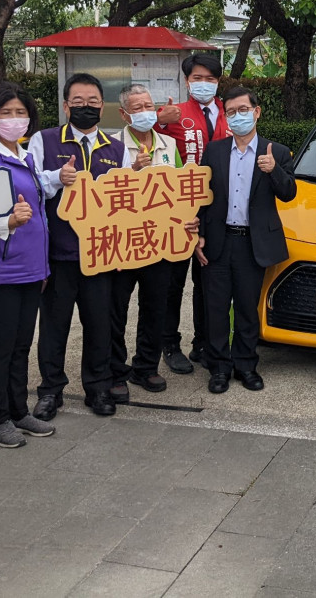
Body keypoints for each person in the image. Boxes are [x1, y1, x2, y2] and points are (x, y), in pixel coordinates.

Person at [29, 73, 128, 419]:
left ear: (103, 106)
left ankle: (98, 388)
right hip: (58, 253)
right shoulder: (44, 141)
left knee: (100, 324)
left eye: (93, 102)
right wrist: (56, 178)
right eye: (79, 102)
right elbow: (28, 188)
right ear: (66, 105)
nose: (86, 107)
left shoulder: (116, 148)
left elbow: (129, 205)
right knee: (54, 326)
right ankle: (50, 390)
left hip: (101, 255)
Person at [193, 87, 296, 393]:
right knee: (216, 308)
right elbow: (201, 196)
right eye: (231, 112)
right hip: (218, 240)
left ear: (257, 111)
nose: (237, 116)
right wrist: (197, 235)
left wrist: (274, 170)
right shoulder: (214, 151)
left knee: (248, 308)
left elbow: (289, 193)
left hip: (253, 243)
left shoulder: (275, 152)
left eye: (243, 109)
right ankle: (219, 367)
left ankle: (246, 365)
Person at [0, 82, 56, 448]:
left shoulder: (26, 157)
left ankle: (19, 410)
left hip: (32, 267)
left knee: (22, 343)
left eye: (20, 113)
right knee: (1, 345)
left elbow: (39, 213)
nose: (14, 119)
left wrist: (44, 267)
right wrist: (6, 223)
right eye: (6, 113)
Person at [156, 52, 230, 372]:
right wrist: (161, 120)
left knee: (208, 280)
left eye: (210, 78)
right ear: (186, 81)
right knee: (173, 281)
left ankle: (203, 342)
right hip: (179, 209)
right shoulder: (174, 114)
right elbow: (148, 143)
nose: (204, 84)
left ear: (218, 81)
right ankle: (169, 343)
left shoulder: (230, 112)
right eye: (197, 78)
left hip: (216, 210)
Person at [109, 84, 181, 399]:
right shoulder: (111, 146)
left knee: (155, 306)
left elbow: (180, 190)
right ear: (124, 114)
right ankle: (115, 371)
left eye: (148, 105)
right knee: (116, 308)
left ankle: (146, 367)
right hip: (124, 241)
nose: (144, 112)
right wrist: (133, 169)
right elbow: (104, 193)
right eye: (137, 108)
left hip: (160, 240)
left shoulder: (168, 143)